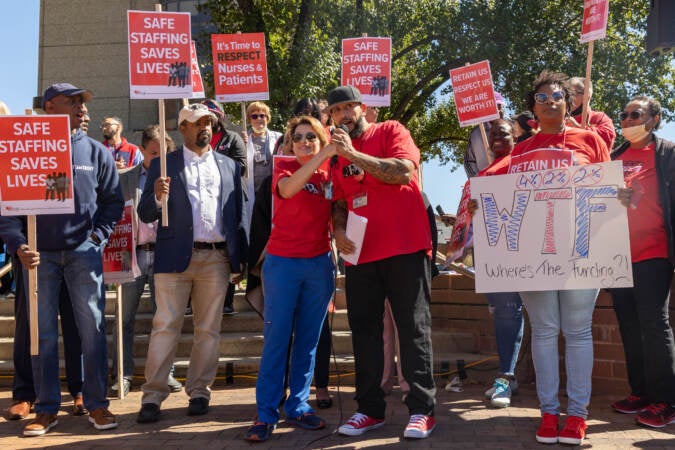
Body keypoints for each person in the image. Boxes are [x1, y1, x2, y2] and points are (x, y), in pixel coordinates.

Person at [0, 82, 124, 436]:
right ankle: (46, 408)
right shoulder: (23, 150)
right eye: (73, 102)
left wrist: (97, 239)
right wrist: (19, 245)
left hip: (83, 254)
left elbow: (113, 202)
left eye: (83, 103)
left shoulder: (97, 152)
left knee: (92, 331)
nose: (82, 109)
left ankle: (97, 404)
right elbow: (6, 205)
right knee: (42, 336)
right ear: (50, 106)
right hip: (39, 258)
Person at [500, 71, 609, 445]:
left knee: (578, 332)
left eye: (557, 95)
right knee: (544, 333)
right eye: (541, 97)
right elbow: (509, 201)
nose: (549, 101)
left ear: (570, 101)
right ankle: (548, 413)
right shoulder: (521, 150)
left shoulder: (590, 140)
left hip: (581, 251)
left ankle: (577, 416)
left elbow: (609, 192)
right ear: (533, 107)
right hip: (536, 254)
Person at [327, 86, 436, 439]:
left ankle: (422, 410)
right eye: (336, 110)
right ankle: (369, 410)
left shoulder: (390, 130)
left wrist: (354, 154)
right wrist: (339, 228)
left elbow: (403, 171)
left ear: (362, 108)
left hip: (405, 247)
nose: (344, 115)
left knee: (412, 328)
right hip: (362, 254)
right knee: (365, 333)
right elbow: (341, 201)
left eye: (349, 107)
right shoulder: (337, 157)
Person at [136, 104, 247, 423]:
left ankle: (199, 390)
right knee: (165, 327)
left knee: (208, 330)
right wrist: (157, 197)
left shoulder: (228, 166)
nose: (205, 127)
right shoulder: (162, 165)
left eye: (208, 122)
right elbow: (145, 214)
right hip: (174, 258)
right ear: (181, 128)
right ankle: (153, 394)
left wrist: (239, 258)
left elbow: (236, 215)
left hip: (216, 257)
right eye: (197, 123)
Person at [244, 115, 336, 442]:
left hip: (319, 264)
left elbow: (338, 212)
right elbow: (287, 189)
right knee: (277, 340)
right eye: (298, 137)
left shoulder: (331, 174)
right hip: (282, 263)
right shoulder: (282, 167)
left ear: (322, 139)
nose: (304, 142)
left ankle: (298, 405)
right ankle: (266, 412)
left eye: (311, 136)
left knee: (309, 340)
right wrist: (324, 156)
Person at [610, 96, 675, 428]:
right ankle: (641, 393)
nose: (627, 119)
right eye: (623, 115)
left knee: (654, 324)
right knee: (630, 326)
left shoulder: (668, 153)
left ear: (654, 119)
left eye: (635, 114)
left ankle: (667, 401)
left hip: (654, 251)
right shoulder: (614, 157)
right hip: (619, 255)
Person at [110, 125, 182, 396]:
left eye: (164, 153)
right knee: (124, 318)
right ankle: (123, 374)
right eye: (153, 153)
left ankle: (166, 374)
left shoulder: (176, 177)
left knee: (165, 318)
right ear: (141, 151)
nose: (159, 159)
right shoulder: (125, 178)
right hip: (133, 253)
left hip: (164, 252)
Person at [468, 119, 524, 408]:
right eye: (492, 134)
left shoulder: (523, 163)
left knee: (509, 312)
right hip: (488, 251)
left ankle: (506, 376)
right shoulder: (483, 170)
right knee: (501, 313)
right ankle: (509, 374)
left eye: (503, 132)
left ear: (516, 135)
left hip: (515, 249)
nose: (496, 137)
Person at [243, 102, 283, 230]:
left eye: (262, 115)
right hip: (253, 192)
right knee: (256, 228)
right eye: (254, 116)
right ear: (249, 119)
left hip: (272, 192)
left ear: (267, 118)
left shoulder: (278, 138)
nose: (259, 119)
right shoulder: (244, 140)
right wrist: (241, 145)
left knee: (274, 226)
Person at [566, 77, 616, 151]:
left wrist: (577, 127)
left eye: (572, 93)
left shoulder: (600, 118)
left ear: (586, 96)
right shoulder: (559, 119)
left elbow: (607, 139)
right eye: (565, 93)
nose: (567, 98)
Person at [463, 92, 506, 177]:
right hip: (486, 185)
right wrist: (477, 179)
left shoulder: (514, 127)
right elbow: (468, 161)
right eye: (496, 107)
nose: (499, 111)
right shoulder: (476, 133)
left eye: (500, 107)